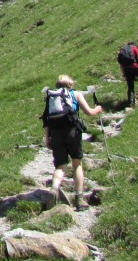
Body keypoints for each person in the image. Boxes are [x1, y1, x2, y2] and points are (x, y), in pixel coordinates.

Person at [43, 74, 103, 211]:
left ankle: (54, 189)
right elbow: (89, 112)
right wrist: (98, 109)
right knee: (77, 163)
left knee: (60, 165)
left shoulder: (51, 97)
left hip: (56, 133)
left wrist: (48, 139)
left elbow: (46, 120)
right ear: (71, 84)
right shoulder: (75, 94)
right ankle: (79, 199)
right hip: (72, 132)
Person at [118, 41, 138, 107]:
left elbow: (121, 65)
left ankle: (131, 104)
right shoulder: (134, 48)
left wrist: (124, 74)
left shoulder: (122, 51)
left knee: (130, 87)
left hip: (126, 69)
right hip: (134, 66)